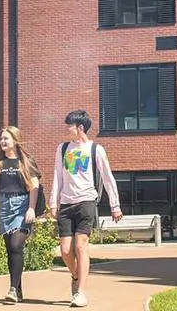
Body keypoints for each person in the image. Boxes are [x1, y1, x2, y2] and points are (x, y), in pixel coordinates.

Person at [49, 110, 122, 308]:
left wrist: (115, 205)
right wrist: (54, 203)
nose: (67, 129)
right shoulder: (63, 149)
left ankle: (81, 292)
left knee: (81, 246)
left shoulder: (96, 149)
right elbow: (57, 176)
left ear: (80, 128)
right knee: (65, 251)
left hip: (87, 201)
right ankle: (75, 275)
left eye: (70, 126)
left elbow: (107, 177)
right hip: (66, 203)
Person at [0, 126, 42, 304]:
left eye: (6, 138)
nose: (3, 141)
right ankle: (17, 288)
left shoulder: (26, 162)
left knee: (16, 245)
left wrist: (31, 208)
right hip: (4, 206)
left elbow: (34, 186)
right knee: (11, 250)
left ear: (15, 141)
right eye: (1, 139)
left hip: (22, 204)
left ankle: (13, 289)